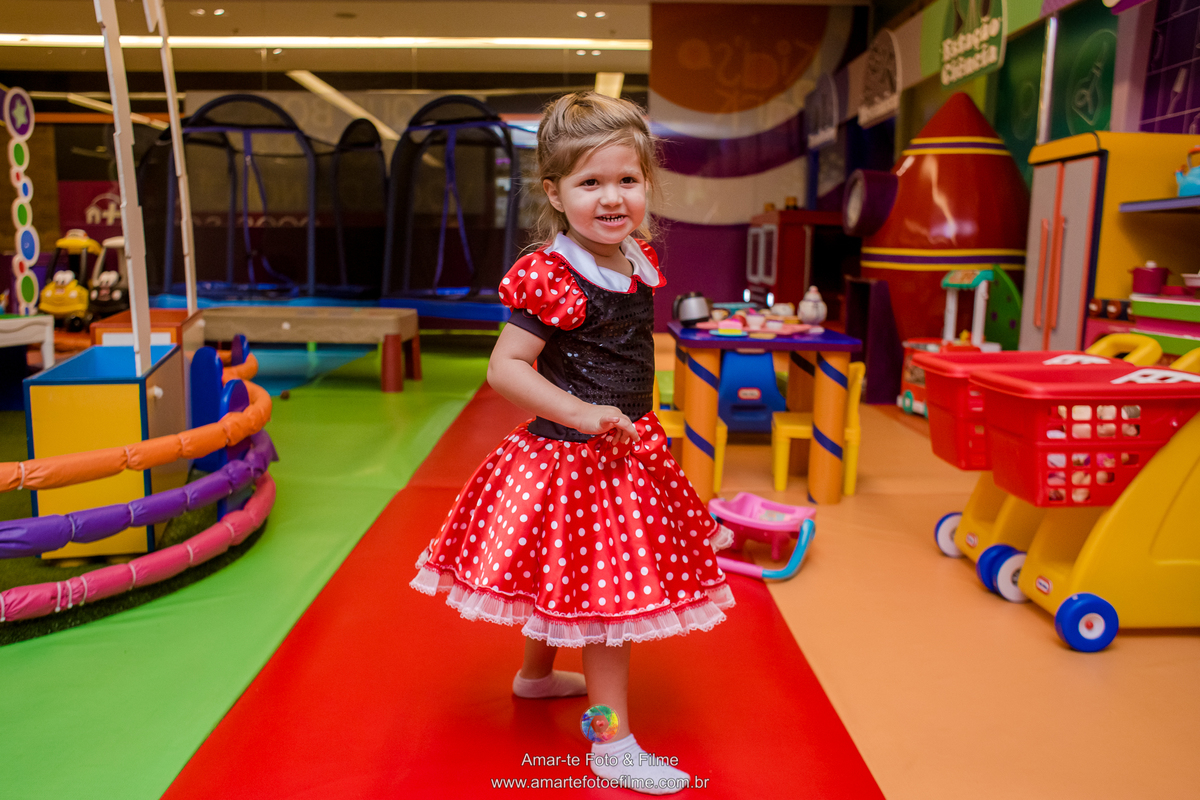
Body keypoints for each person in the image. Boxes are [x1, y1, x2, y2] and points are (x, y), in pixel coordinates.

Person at [410, 91, 733, 795]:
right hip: (575, 459)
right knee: (605, 607)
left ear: (648, 183)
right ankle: (610, 745)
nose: (612, 198)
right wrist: (584, 413)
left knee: (563, 580)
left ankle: (533, 676)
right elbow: (506, 368)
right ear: (554, 193)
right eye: (591, 183)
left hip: (622, 453)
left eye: (628, 180)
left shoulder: (632, 257)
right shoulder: (553, 274)